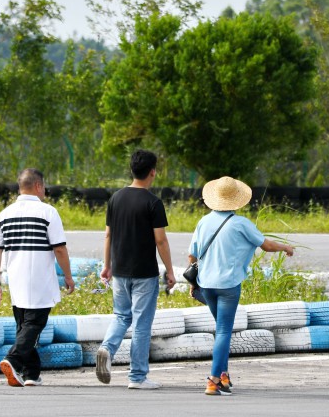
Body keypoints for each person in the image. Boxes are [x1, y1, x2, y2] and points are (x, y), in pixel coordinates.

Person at [187, 176, 294, 396]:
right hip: (228, 285)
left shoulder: (203, 222)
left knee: (221, 330)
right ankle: (213, 380)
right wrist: (286, 247)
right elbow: (267, 245)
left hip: (206, 284)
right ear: (238, 200)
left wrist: (193, 283)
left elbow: (192, 254)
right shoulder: (241, 223)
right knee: (224, 331)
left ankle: (224, 377)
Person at [95, 149, 176, 389]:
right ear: (153, 172)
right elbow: (160, 240)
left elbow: (108, 234)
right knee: (141, 323)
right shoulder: (153, 202)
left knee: (121, 316)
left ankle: (106, 348)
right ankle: (137, 377)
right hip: (144, 273)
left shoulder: (115, 198)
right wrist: (170, 271)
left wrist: (106, 265)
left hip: (119, 271)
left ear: (132, 170)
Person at [0, 168, 74, 387]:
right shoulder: (48, 212)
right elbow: (60, 249)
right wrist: (68, 276)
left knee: (25, 327)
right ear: (38, 186)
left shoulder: (4, 215)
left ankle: (31, 374)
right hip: (40, 282)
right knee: (34, 326)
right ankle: (13, 360)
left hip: (16, 281)